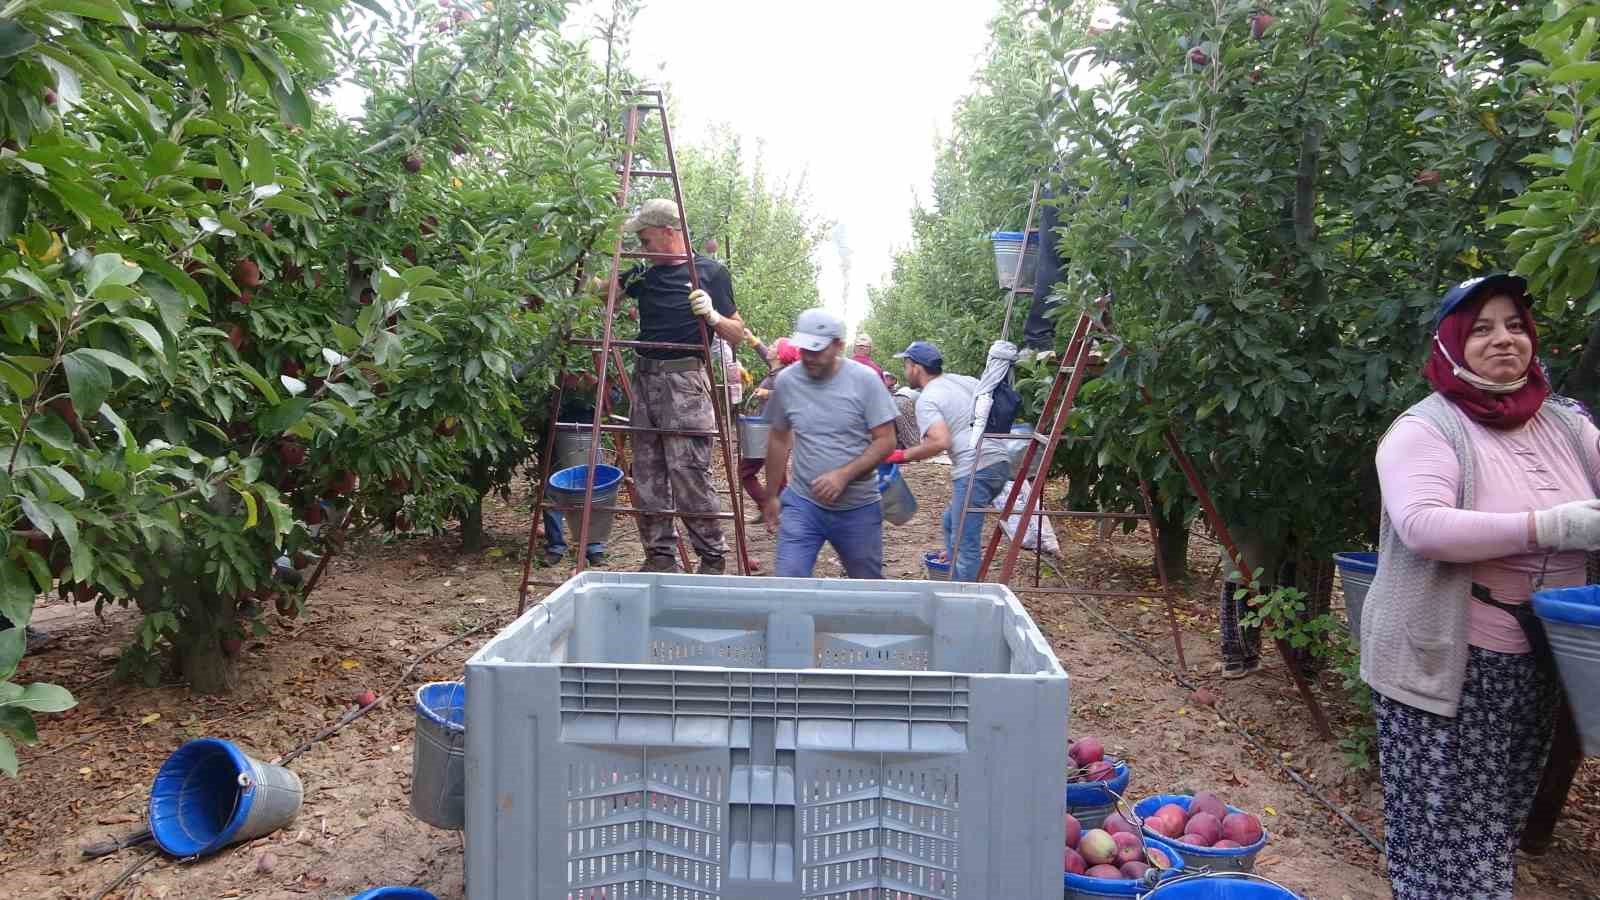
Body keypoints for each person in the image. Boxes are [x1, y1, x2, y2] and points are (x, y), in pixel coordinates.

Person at [1364, 273, 1600, 900]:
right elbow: (1425, 527)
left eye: (1516, 325)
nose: (1504, 340)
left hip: (1542, 657)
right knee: (1444, 835)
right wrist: (1548, 526)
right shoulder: (1426, 429)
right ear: (1452, 344)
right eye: (1483, 329)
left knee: (1497, 819)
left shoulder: (1565, 427)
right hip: (1449, 664)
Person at [620, 198, 748, 574]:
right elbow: (601, 289)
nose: (642, 249)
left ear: (668, 233)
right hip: (645, 380)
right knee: (646, 473)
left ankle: (712, 557)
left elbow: (737, 331)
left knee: (689, 472)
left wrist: (712, 315)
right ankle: (660, 557)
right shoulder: (643, 275)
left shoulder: (710, 273)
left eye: (645, 240)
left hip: (685, 381)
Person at [762, 309, 897, 578]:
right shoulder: (787, 381)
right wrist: (771, 496)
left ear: (838, 345)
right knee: (787, 583)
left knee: (867, 586)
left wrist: (842, 476)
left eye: (817, 350)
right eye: (803, 350)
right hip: (803, 504)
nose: (808, 357)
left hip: (858, 508)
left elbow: (886, 441)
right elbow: (778, 439)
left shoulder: (865, 381)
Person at [887, 341, 1012, 581]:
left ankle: (962, 604)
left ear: (916, 367)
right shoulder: (965, 380)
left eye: (905, 364)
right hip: (999, 464)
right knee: (950, 521)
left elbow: (939, 442)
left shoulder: (928, 398)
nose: (905, 370)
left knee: (967, 547)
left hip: (975, 470)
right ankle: (952, 558)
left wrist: (901, 456)